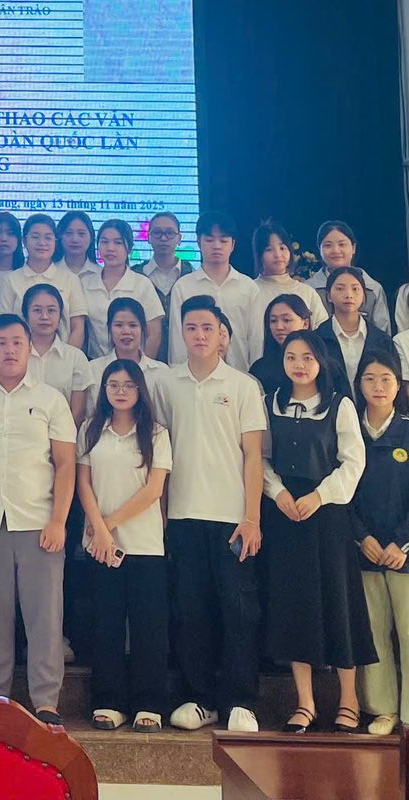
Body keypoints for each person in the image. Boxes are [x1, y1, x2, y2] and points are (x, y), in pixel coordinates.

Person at [0, 314, 74, 724]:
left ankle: (46, 702)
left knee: (45, 618)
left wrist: (58, 520)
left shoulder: (50, 399)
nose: (9, 350)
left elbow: (65, 463)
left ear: (29, 347)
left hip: (39, 522)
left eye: (17, 342)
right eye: (1, 342)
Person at [262, 330, 374, 733]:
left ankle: (348, 699)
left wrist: (320, 496)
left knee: (339, 602)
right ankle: (305, 702)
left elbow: (353, 462)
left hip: (327, 517)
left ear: (321, 361)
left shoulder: (339, 404)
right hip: (285, 515)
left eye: (307, 357)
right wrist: (277, 493)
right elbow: (260, 458)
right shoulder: (270, 402)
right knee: (295, 606)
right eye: (291, 357)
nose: (299, 364)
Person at [164, 297, 266, 734]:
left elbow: (253, 455)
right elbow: (157, 452)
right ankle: (198, 698)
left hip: (232, 516)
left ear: (222, 333)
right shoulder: (167, 384)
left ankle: (241, 701)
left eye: (208, 327)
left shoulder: (242, 386)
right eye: (191, 327)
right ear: (181, 333)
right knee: (191, 611)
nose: (200, 335)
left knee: (239, 610)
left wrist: (252, 517)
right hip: (183, 514)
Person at [77, 357, 172, 731]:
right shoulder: (91, 429)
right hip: (100, 546)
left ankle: (150, 703)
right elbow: (83, 483)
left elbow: (154, 489)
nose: (120, 391)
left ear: (139, 390)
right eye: (113, 385)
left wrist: (109, 525)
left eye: (128, 385)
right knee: (107, 625)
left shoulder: (156, 433)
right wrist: (100, 531)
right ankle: (109, 701)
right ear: (104, 390)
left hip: (145, 544)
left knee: (149, 627)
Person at [350, 347, 409, 737]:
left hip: (408, 556)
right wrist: (362, 538)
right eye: (370, 379)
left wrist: (403, 544)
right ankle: (383, 709)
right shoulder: (350, 430)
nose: (378, 386)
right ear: (359, 385)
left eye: (386, 379)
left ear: (399, 385)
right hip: (365, 553)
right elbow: (344, 495)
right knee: (374, 634)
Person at [172, 213, 260, 372]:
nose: (217, 246)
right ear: (198, 242)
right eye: (209, 240)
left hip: (240, 373)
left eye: (223, 240)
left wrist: (256, 375)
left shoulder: (248, 287)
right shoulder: (183, 287)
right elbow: (177, 339)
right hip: (195, 375)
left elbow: (256, 338)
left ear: (233, 244)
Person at [1, 214, 87, 346]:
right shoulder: (11, 280)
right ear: (24, 241)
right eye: (35, 237)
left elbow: (78, 328)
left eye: (48, 237)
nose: (42, 243)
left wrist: (68, 356)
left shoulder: (70, 279)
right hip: (20, 355)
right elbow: (3, 325)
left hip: (62, 355)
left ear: (55, 241)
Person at [87, 298, 174, 426]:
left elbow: (165, 420)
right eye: (119, 325)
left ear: (143, 328)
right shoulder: (93, 369)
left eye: (133, 325)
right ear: (109, 328)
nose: (126, 332)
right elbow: (90, 417)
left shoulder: (160, 371)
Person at [84, 219, 162, 359]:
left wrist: (142, 366)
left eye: (118, 242)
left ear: (129, 248)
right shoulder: (86, 283)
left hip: (134, 364)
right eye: (104, 242)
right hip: (96, 364)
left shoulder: (142, 284)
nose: (110, 248)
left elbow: (154, 334)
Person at [315, 264, 399, 391]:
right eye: (340, 289)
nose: (349, 295)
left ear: (364, 296)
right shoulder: (317, 339)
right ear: (328, 296)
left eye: (355, 289)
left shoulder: (382, 341)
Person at [251, 219, 328, 354]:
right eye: (269, 249)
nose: (278, 255)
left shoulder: (306, 292)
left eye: (282, 248)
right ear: (259, 255)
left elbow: (322, 333)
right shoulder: (250, 291)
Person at [19, 282, 92, 423]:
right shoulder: (15, 355)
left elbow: (78, 413)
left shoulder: (75, 358)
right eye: (37, 310)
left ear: (60, 315)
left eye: (51, 310)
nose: (44, 316)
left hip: (64, 432)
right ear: (25, 315)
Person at [309, 220, 391, 334]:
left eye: (342, 244)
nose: (335, 250)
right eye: (328, 245)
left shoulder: (373, 289)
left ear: (353, 248)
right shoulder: (309, 289)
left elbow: (383, 334)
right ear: (320, 249)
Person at [249, 293, 315, 400]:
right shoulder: (259, 369)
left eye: (286, 320)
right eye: (273, 321)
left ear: (305, 324)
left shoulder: (323, 363)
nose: (279, 327)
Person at [141, 212, 186, 307]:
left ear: (179, 238)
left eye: (170, 233)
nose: (163, 238)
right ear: (149, 237)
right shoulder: (136, 275)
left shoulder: (191, 274)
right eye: (157, 233)